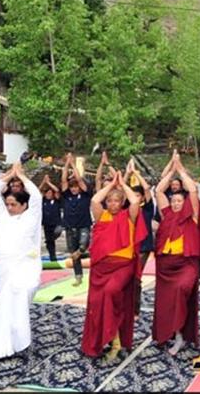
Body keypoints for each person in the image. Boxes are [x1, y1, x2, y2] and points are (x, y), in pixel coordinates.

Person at [82, 171, 147, 360]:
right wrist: (110, 186)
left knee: (111, 292)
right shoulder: (102, 216)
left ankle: (114, 339)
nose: (112, 204)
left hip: (123, 267)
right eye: (109, 201)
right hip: (101, 268)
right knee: (97, 303)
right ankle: (107, 339)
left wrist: (122, 183)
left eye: (116, 201)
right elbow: (95, 200)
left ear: (121, 203)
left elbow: (135, 201)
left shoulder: (129, 217)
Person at [154, 151, 200, 355]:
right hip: (166, 266)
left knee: (182, 290)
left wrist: (180, 169)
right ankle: (176, 335)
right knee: (167, 301)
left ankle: (181, 335)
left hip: (186, 264)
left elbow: (193, 190)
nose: (176, 203)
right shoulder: (167, 214)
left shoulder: (191, 216)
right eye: (174, 201)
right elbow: (159, 191)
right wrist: (171, 170)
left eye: (179, 201)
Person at [0, 161, 43, 358]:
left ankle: (19, 339)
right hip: (3, 266)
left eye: (13, 204)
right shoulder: (3, 216)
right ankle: (6, 343)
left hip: (25, 265)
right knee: (6, 304)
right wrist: (10, 175)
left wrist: (23, 177)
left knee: (20, 299)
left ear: (24, 205)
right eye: (8, 204)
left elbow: (36, 196)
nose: (9, 208)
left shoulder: (32, 216)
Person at [125, 161, 155, 316]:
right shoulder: (127, 209)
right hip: (129, 247)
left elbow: (148, 188)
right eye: (133, 196)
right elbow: (121, 190)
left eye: (138, 196)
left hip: (143, 247)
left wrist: (136, 173)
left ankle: (135, 310)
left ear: (142, 197)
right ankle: (127, 306)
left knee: (136, 277)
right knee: (127, 278)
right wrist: (127, 174)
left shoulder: (147, 208)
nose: (135, 199)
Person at [62, 153, 92, 286]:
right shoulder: (67, 195)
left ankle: (81, 252)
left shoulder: (85, 195)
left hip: (83, 225)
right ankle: (78, 276)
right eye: (72, 187)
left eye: (76, 187)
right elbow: (63, 180)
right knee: (73, 253)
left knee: (82, 246)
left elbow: (80, 180)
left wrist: (73, 164)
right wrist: (66, 164)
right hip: (70, 227)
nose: (74, 189)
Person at [39, 174, 63, 262]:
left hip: (56, 223)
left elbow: (57, 190)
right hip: (46, 224)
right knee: (50, 243)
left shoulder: (57, 200)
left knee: (58, 232)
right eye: (47, 193)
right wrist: (43, 182)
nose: (48, 194)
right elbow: (38, 191)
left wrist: (48, 182)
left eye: (50, 193)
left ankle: (50, 240)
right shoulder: (43, 201)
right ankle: (53, 258)